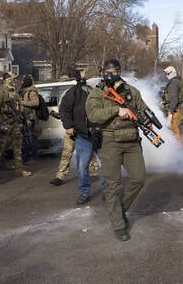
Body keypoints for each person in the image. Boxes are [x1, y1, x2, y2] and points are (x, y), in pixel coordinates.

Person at [85, 59, 148, 241]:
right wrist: (116, 110)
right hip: (110, 140)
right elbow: (93, 116)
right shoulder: (97, 93)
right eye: (106, 71)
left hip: (132, 141)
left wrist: (146, 118)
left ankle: (119, 210)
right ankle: (118, 224)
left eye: (113, 70)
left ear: (120, 71)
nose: (109, 74)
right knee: (113, 185)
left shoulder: (132, 91)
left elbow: (143, 109)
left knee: (139, 178)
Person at [57, 69, 104, 205]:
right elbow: (64, 109)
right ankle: (84, 192)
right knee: (82, 167)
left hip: (101, 135)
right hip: (84, 136)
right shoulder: (73, 93)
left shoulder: (103, 91)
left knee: (107, 166)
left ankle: (108, 191)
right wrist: (69, 125)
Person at [0, 71, 32, 179]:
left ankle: (19, 169)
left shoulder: (15, 93)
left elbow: (20, 107)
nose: (14, 80)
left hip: (16, 122)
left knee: (17, 147)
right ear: (6, 79)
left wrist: (25, 118)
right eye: (12, 78)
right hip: (5, 123)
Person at [160, 66, 183, 148]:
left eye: (168, 73)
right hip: (178, 108)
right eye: (166, 73)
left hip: (175, 110)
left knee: (174, 131)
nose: (166, 75)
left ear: (173, 72)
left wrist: (170, 112)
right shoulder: (178, 81)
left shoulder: (173, 83)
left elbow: (174, 99)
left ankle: (180, 152)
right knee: (178, 131)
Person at [18, 74, 40, 163]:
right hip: (24, 117)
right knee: (25, 138)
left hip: (30, 117)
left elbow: (36, 103)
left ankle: (34, 157)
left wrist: (22, 102)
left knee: (31, 137)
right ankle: (26, 157)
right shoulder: (23, 91)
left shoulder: (31, 92)